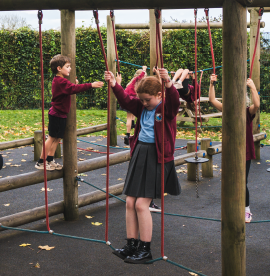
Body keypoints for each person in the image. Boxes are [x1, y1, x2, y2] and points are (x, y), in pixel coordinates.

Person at [105, 67, 180, 264]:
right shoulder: (141, 106)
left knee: (141, 204)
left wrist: (169, 84)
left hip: (157, 157)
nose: (145, 103)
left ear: (159, 95)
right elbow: (126, 101)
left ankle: (145, 249)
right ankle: (131, 244)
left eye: (148, 100)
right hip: (140, 153)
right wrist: (114, 85)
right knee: (130, 202)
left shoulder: (166, 109)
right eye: (142, 100)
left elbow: (174, 102)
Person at [207, 73, 260, 223]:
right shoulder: (227, 110)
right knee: (230, 180)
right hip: (230, 151)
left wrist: (253, 87)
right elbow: (212, 100)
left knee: (242, 181)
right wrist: (212, 84)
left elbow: (257, 105)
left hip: (245, 152)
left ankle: (246, 210)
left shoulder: (247, 112)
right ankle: (232, 208)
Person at [38, 54, 104, 170]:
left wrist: (74, 84)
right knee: (52, 138)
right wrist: (91, 85)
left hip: (61, 114)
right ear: (59, 68)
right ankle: (41, 162)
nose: (70, 69)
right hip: (56, 114)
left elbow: (70, 88)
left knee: (57, 138)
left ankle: (50, 160)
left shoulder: (61, 81)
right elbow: (73, 89)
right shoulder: (60, 81)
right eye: (67, 66)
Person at [121, 66, 146, 146]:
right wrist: (144, 69)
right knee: (129, 116)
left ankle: (132, 123)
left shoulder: (133, 82)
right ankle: (127, 135)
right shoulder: (137, 80)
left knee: (133, 114)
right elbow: (141, 76)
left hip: (128, 99)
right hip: (129, 100)